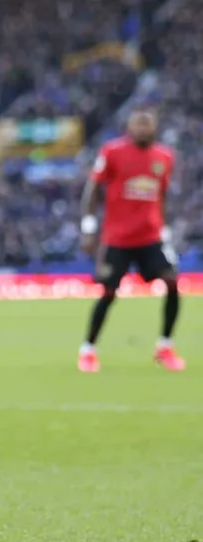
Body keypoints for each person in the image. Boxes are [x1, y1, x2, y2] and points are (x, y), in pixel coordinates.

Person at [78, 108, 185, 373]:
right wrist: (89, 227)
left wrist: (166, 231)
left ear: (155, 127)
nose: (142, 128)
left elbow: (163, 197)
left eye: (147, 124)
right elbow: (92, 189)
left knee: (172, 282)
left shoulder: (165, 157)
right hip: (119, 239)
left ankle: (165, 347)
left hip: (151, 236)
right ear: (129, 127)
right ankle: (88, 350)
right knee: (109, 292)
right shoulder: (112, 152)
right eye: (138, 123)